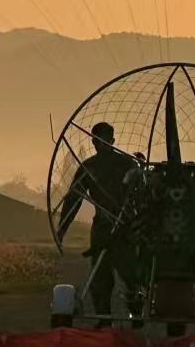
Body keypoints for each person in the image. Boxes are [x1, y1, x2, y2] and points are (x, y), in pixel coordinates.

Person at [57, 122, 143, 325]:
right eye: (97, 140)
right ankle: (104, 320)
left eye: (105, 140)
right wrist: (62, 228)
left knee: (131, 275)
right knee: (100, 279)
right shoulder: (89, 167)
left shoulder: (128, 165)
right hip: (102, 230)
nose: (101, 144)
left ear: (112, 141)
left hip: (126, 228)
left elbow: (142, 195)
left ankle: (137, 314)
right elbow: (73, 200)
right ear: (93, 141)